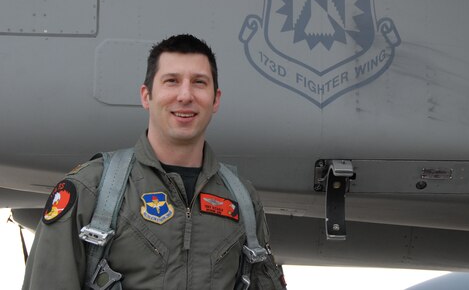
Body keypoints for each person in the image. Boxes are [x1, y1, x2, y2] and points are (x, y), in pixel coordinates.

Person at [23, 34, 286, 289]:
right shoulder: (91, 190)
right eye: (171, 81)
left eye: (199, 83)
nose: (185, 95)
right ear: (146, 96)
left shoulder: (243, 201)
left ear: (215, 99)